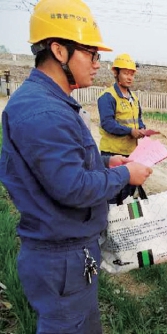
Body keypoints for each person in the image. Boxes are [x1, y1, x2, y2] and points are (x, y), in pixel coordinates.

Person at [0, 0, 153, 333]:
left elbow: (63, 165)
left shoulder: (49, 103)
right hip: (61, 260)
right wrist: (126, 174)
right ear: (59, 50)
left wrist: (105, 161)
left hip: (69, 254)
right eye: (91, 54)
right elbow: (72, 187)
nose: (97, 63)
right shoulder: (44, 113)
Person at [98, 53, 148, 203]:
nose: (129, 77)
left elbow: (138, 119)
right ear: (115, 73)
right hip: (113, 154)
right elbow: (107, 124)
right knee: (112, 196)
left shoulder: (134, 98)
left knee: (127, 196)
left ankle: (127, 225)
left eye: (132, 74)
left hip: (131, 154)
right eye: (126, 73)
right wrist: (130, 132)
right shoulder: (107, 97)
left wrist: (142, 129)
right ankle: (109, 225)